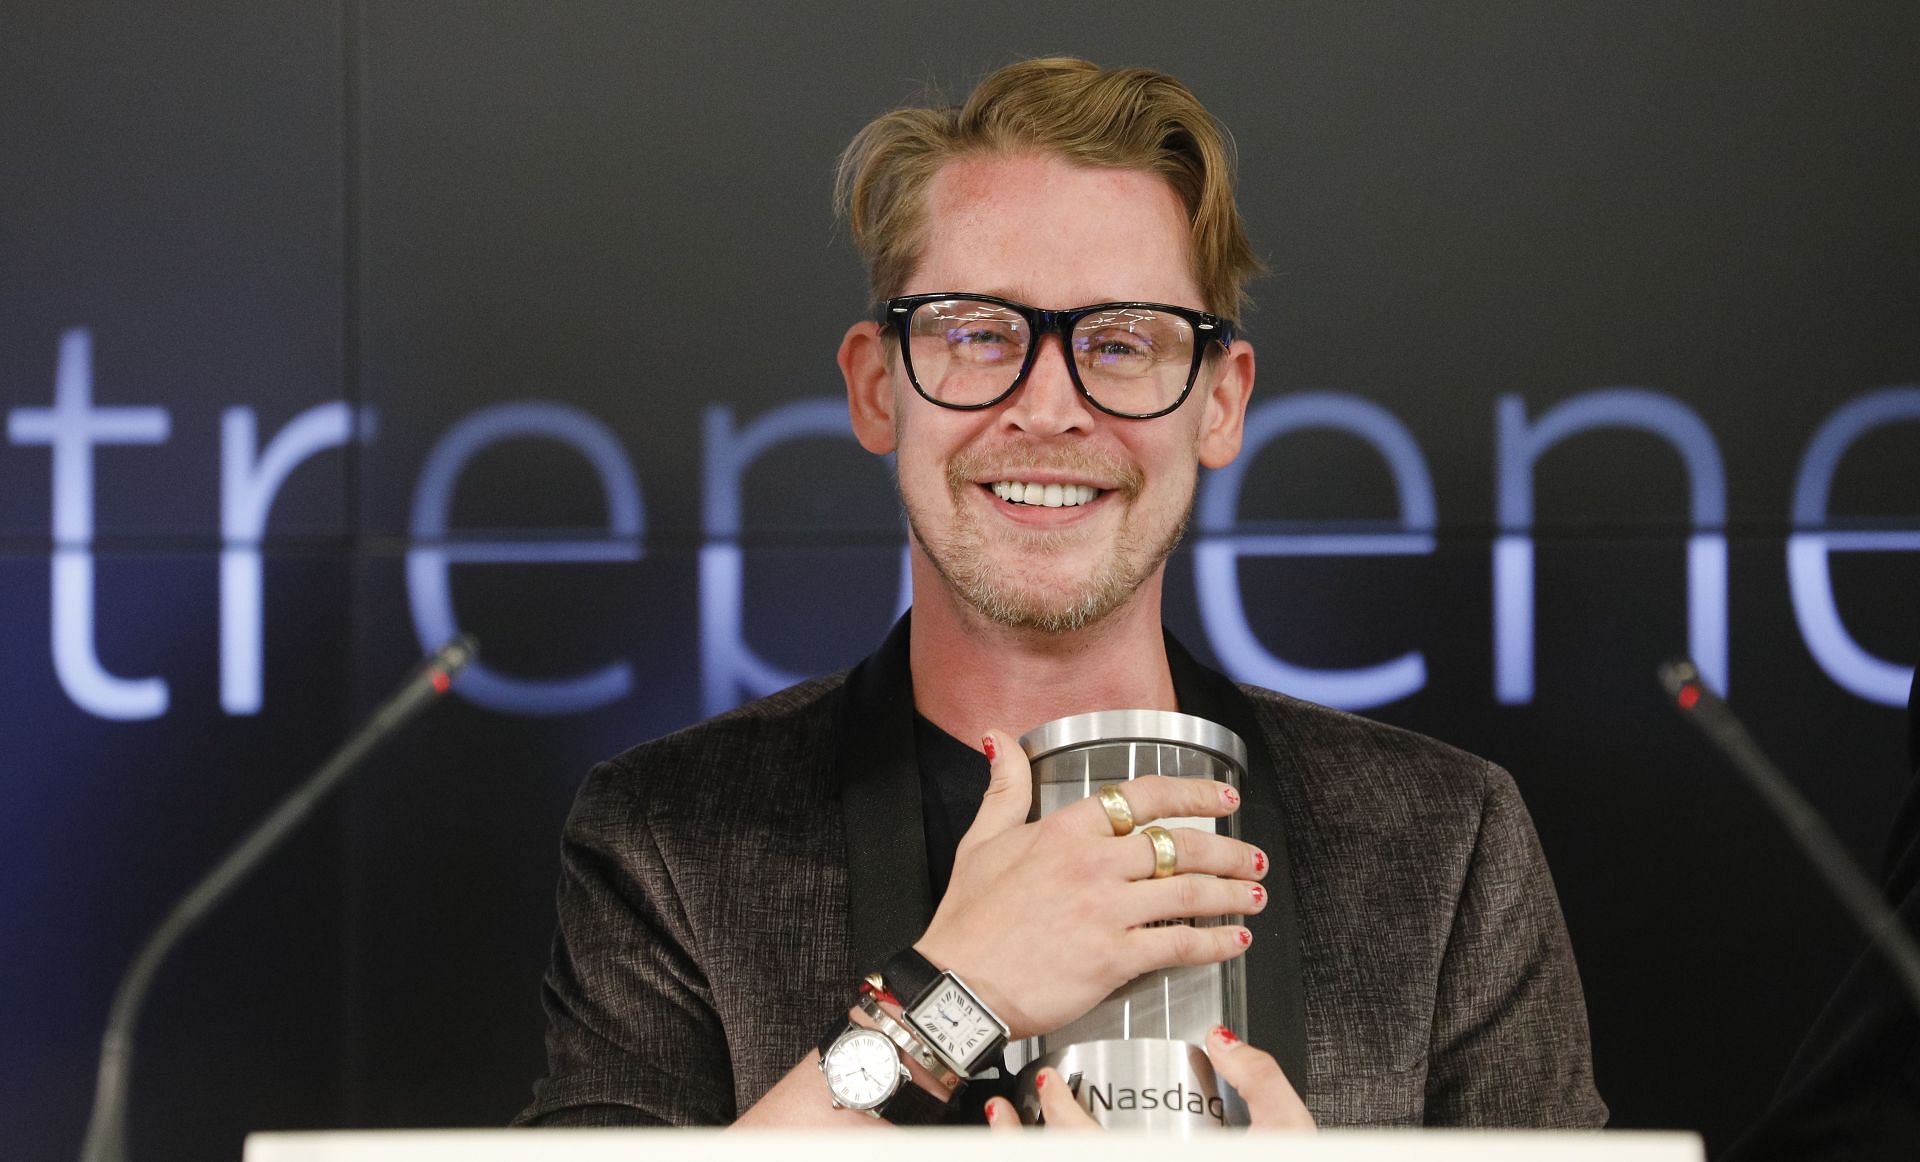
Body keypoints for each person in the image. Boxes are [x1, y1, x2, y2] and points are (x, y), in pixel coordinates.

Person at [516, 56, 1605, 1130]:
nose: (1049, 408)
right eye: (980, 333)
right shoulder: (670, 838)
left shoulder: (1443, 845)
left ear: (1220, 405)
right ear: (875, 387)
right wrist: (951, 995)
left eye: (1121, 343)